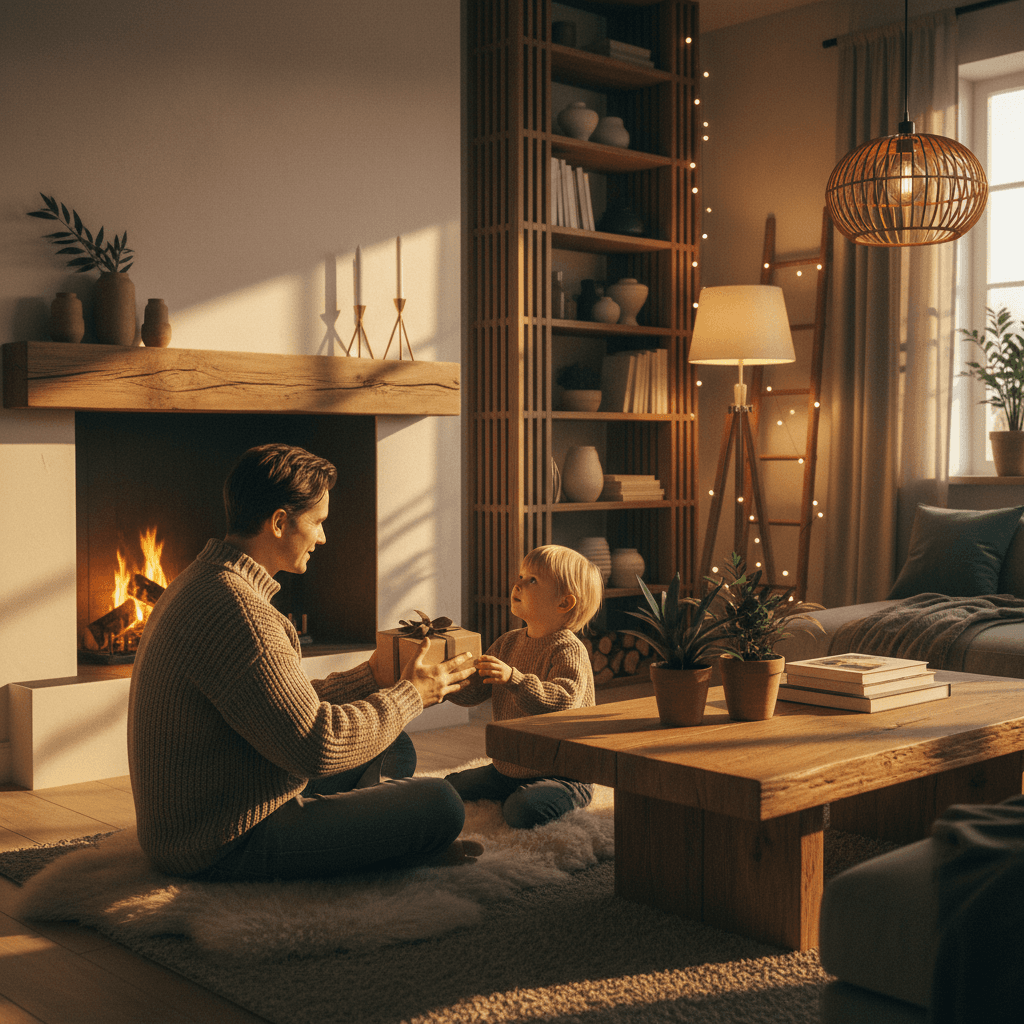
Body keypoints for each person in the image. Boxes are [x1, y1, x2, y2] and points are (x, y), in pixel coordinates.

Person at [128, 442, 480, 882]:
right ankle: (374, 849)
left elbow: (274, 705)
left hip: (218, 800)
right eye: (317, 522)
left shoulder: (203, 581)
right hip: (224, 839)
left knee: (395, 746)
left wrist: (370, 676)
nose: (323, 537)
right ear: (279, 522)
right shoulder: (241, 613)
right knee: (441, 804)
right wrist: (410, 696)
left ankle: (366, 844)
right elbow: (316, 746)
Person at [445, 544, 602, 828]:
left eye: (532, 580)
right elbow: (477, 691)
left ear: (564, 603)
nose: (517, 584)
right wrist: (446, 684)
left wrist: (513, 679)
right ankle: (515, 787)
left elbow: (562, 701)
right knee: (448, 787)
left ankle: (575, 794)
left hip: (563, 772)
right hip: (511, 767)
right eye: (521, 575)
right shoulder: (508, 642)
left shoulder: (569, 649)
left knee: (521, 811)